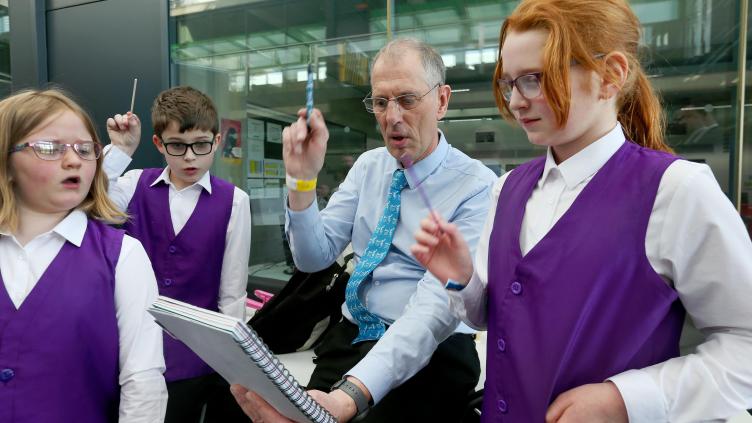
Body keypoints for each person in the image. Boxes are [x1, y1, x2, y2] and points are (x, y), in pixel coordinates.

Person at [411, 0, 752, 421]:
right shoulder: (507, 190)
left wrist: (627, 400)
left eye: (534, 79)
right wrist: (462, 279)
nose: (517, 101)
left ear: (611, 75)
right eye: (509, 83)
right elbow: (498, 320)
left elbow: (744, 343)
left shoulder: (675, 190)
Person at [231, 38, 497, 422]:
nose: (391, 117)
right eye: (380, 102)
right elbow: (312, 258)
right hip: (351, 337)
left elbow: (432, 312)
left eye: (407, 99)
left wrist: (348, 397)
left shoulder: (476, 186)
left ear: (441, 100)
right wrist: (301, 182)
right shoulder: (369, 166)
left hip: (433, 352)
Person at [0, 88, 167, 422]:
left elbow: (143, 383)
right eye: (49, 147)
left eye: (86, 148)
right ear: (5, 160)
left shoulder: (122, 257)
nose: (74, 159)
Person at [104, 86, 251, 423]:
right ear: (158, 144)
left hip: (194, 360)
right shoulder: (133, 184)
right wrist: (120, 151)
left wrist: (233, 366)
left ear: (216, 141)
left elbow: (232, 293)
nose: (189, 157)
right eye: (177, 146)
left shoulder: (235, 201)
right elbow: (84, 204)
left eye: (201, 145)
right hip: (129, 348)